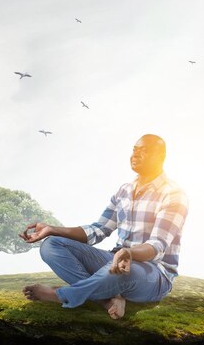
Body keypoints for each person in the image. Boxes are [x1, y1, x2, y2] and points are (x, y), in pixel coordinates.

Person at [19, 134, 188, 319]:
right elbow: (98, 230)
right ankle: (107, 300)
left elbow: (157, 246)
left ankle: (60, 295)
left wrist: (129, 253)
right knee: (51, 246)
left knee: (118, 274)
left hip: (154, 272)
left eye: (144, 151)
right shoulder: (125, 190)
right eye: (134, 150)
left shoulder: (173, 194)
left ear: (161, 157)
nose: (135, 155)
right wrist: (51, 229)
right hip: (116, 259)